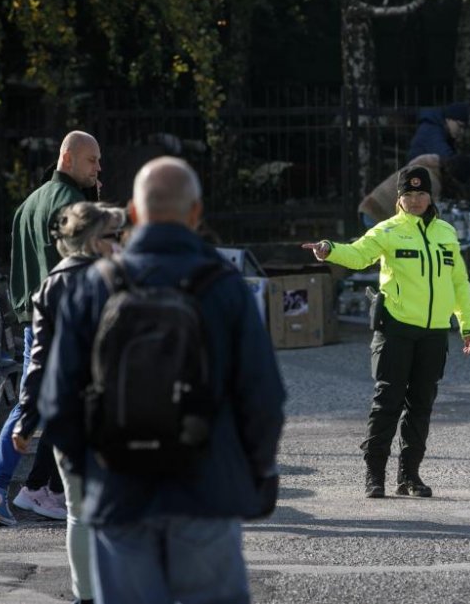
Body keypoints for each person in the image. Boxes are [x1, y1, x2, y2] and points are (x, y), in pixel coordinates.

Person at [41, 157, 286, 604]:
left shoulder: (95, 286)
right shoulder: (224, 285)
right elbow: (263, 396)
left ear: (133, 213)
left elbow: (57, 402)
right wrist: (257, 471)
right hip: (206, 490)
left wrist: (92, 471)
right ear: (196, 212)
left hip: (120, 493)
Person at [303, 164, 470, 499]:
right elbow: (358, 254)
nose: (415, 200)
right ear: (399, 198)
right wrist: (329, 249)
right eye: (409, 194)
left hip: (434, 332)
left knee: (421, 406)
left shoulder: (446, 233)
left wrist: (468, 324)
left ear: (431, 197)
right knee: (388, 403)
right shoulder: (387, 230)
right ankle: (374, 475)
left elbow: (459, 283)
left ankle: (409, 475)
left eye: (421, 193)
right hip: (396, 328)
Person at [0, 130, 101, 527]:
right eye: (92, 160)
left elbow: (21, 270)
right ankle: (4, 489)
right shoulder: (73, 204)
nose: (98, 168)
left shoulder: (27, 205)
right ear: (68, 157)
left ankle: (37, 490)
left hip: (35, 318)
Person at [12, 201, 125, 604]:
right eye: (114, 236)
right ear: (94, 240)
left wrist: (27, 420)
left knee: (77, 512)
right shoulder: (118, 279)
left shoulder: (50, 285)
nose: (120, 242)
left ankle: (86, 596)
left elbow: (38, 361)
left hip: (68, 414)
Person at [406, 103, 470, 183]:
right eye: (460, 126)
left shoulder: (439, 130)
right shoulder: (432, 130)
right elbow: (451, 160)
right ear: (449, 119)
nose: (461, 131)